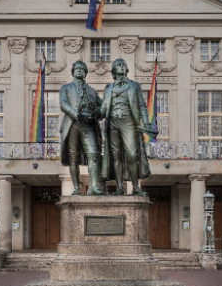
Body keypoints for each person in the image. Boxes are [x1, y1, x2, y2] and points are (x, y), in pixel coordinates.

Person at [100, 58, 156, 195]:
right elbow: (103, 108)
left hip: (129, 121)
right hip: (112, 123)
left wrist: (146, 124)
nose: (121, 67)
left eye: (123, 65)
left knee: (132, 154)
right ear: (113, 70)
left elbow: (142, 106)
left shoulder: (134, 86)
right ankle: (119, 187)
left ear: (126, 69)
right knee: (116, 156)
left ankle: (135, 187)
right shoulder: (109, 88)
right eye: (118, 65)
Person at [59, 60, 104, 195]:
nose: (79, 70)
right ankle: (76, 188)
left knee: (94, 154)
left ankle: (94, 186)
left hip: (88, 125)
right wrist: (75, 113)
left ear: (85, 72)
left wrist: (97, 112)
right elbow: (63, 104)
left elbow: (102, 108)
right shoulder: (66, 88)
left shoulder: (91, 91)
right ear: (73, 72)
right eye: (76, 68)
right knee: (73, 157)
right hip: (72, 124)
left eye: (82, 69)